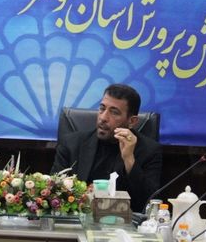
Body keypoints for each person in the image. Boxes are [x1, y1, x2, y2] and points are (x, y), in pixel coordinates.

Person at [51, 84, 162, 212]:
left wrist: (129, 159)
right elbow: (53, 192)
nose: (103, 117)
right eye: (102, 108)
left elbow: (149, 203)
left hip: (124, 221)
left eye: (114, 112)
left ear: (132, 121)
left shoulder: (149, 150)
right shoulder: (71, 144)